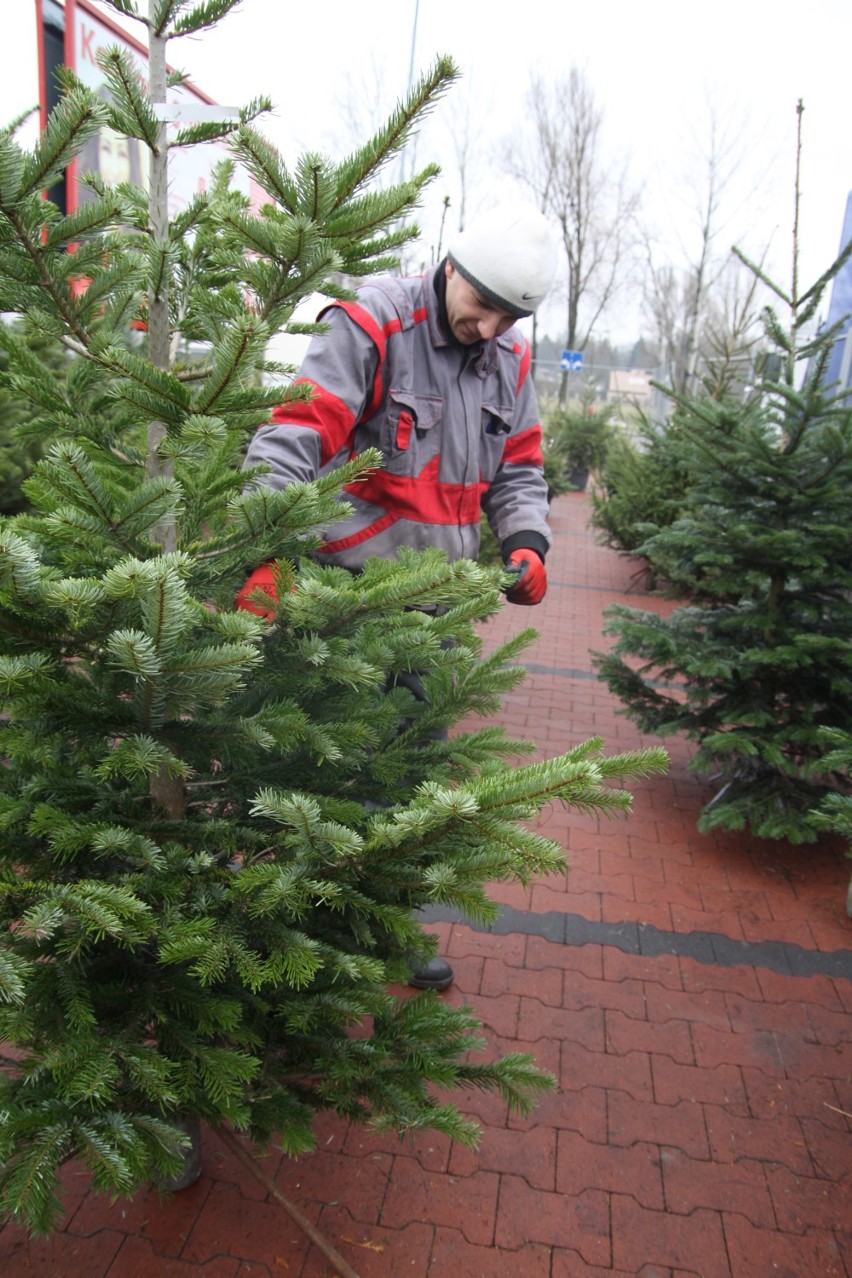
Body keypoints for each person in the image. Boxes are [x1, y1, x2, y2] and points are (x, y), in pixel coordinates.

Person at [237, 202, 558, 990]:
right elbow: (293, 437)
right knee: (317, 770)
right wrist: (265, 547)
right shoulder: (372, 325)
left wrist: (527, 541)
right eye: (481, 310)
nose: (488, 330)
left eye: (506, 320)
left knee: (408, 775)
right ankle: (288, 935)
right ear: (453, 271)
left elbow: (519, 468)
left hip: (437, 611)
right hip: (341, 599)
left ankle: (383, 927)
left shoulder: (510, 366)